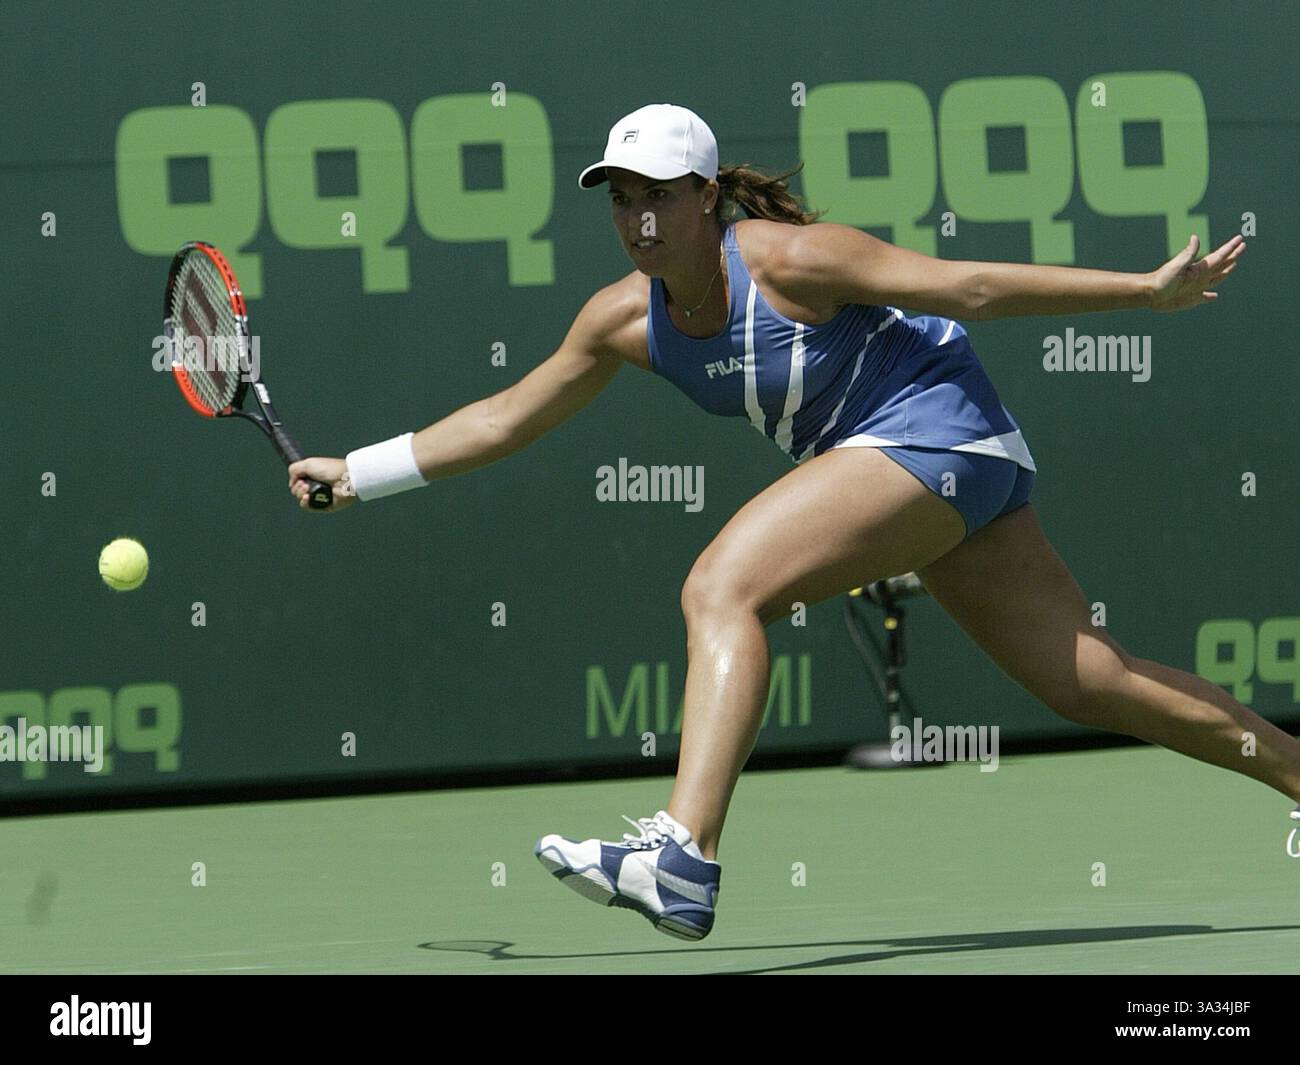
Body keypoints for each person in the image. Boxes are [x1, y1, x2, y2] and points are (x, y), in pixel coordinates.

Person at [289, 103, 1296, 942]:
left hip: (935, 437)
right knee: (1092, 681)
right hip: (939, 474)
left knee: (723, 588)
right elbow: (506, 419)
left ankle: (684, 854)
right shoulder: (622, 320)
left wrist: (1143, 292)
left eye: (657, 197)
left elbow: (968, 287)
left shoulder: (792, 262)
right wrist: (359, 474)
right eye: (622, 199)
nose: (638, 220)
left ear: (706, 197)